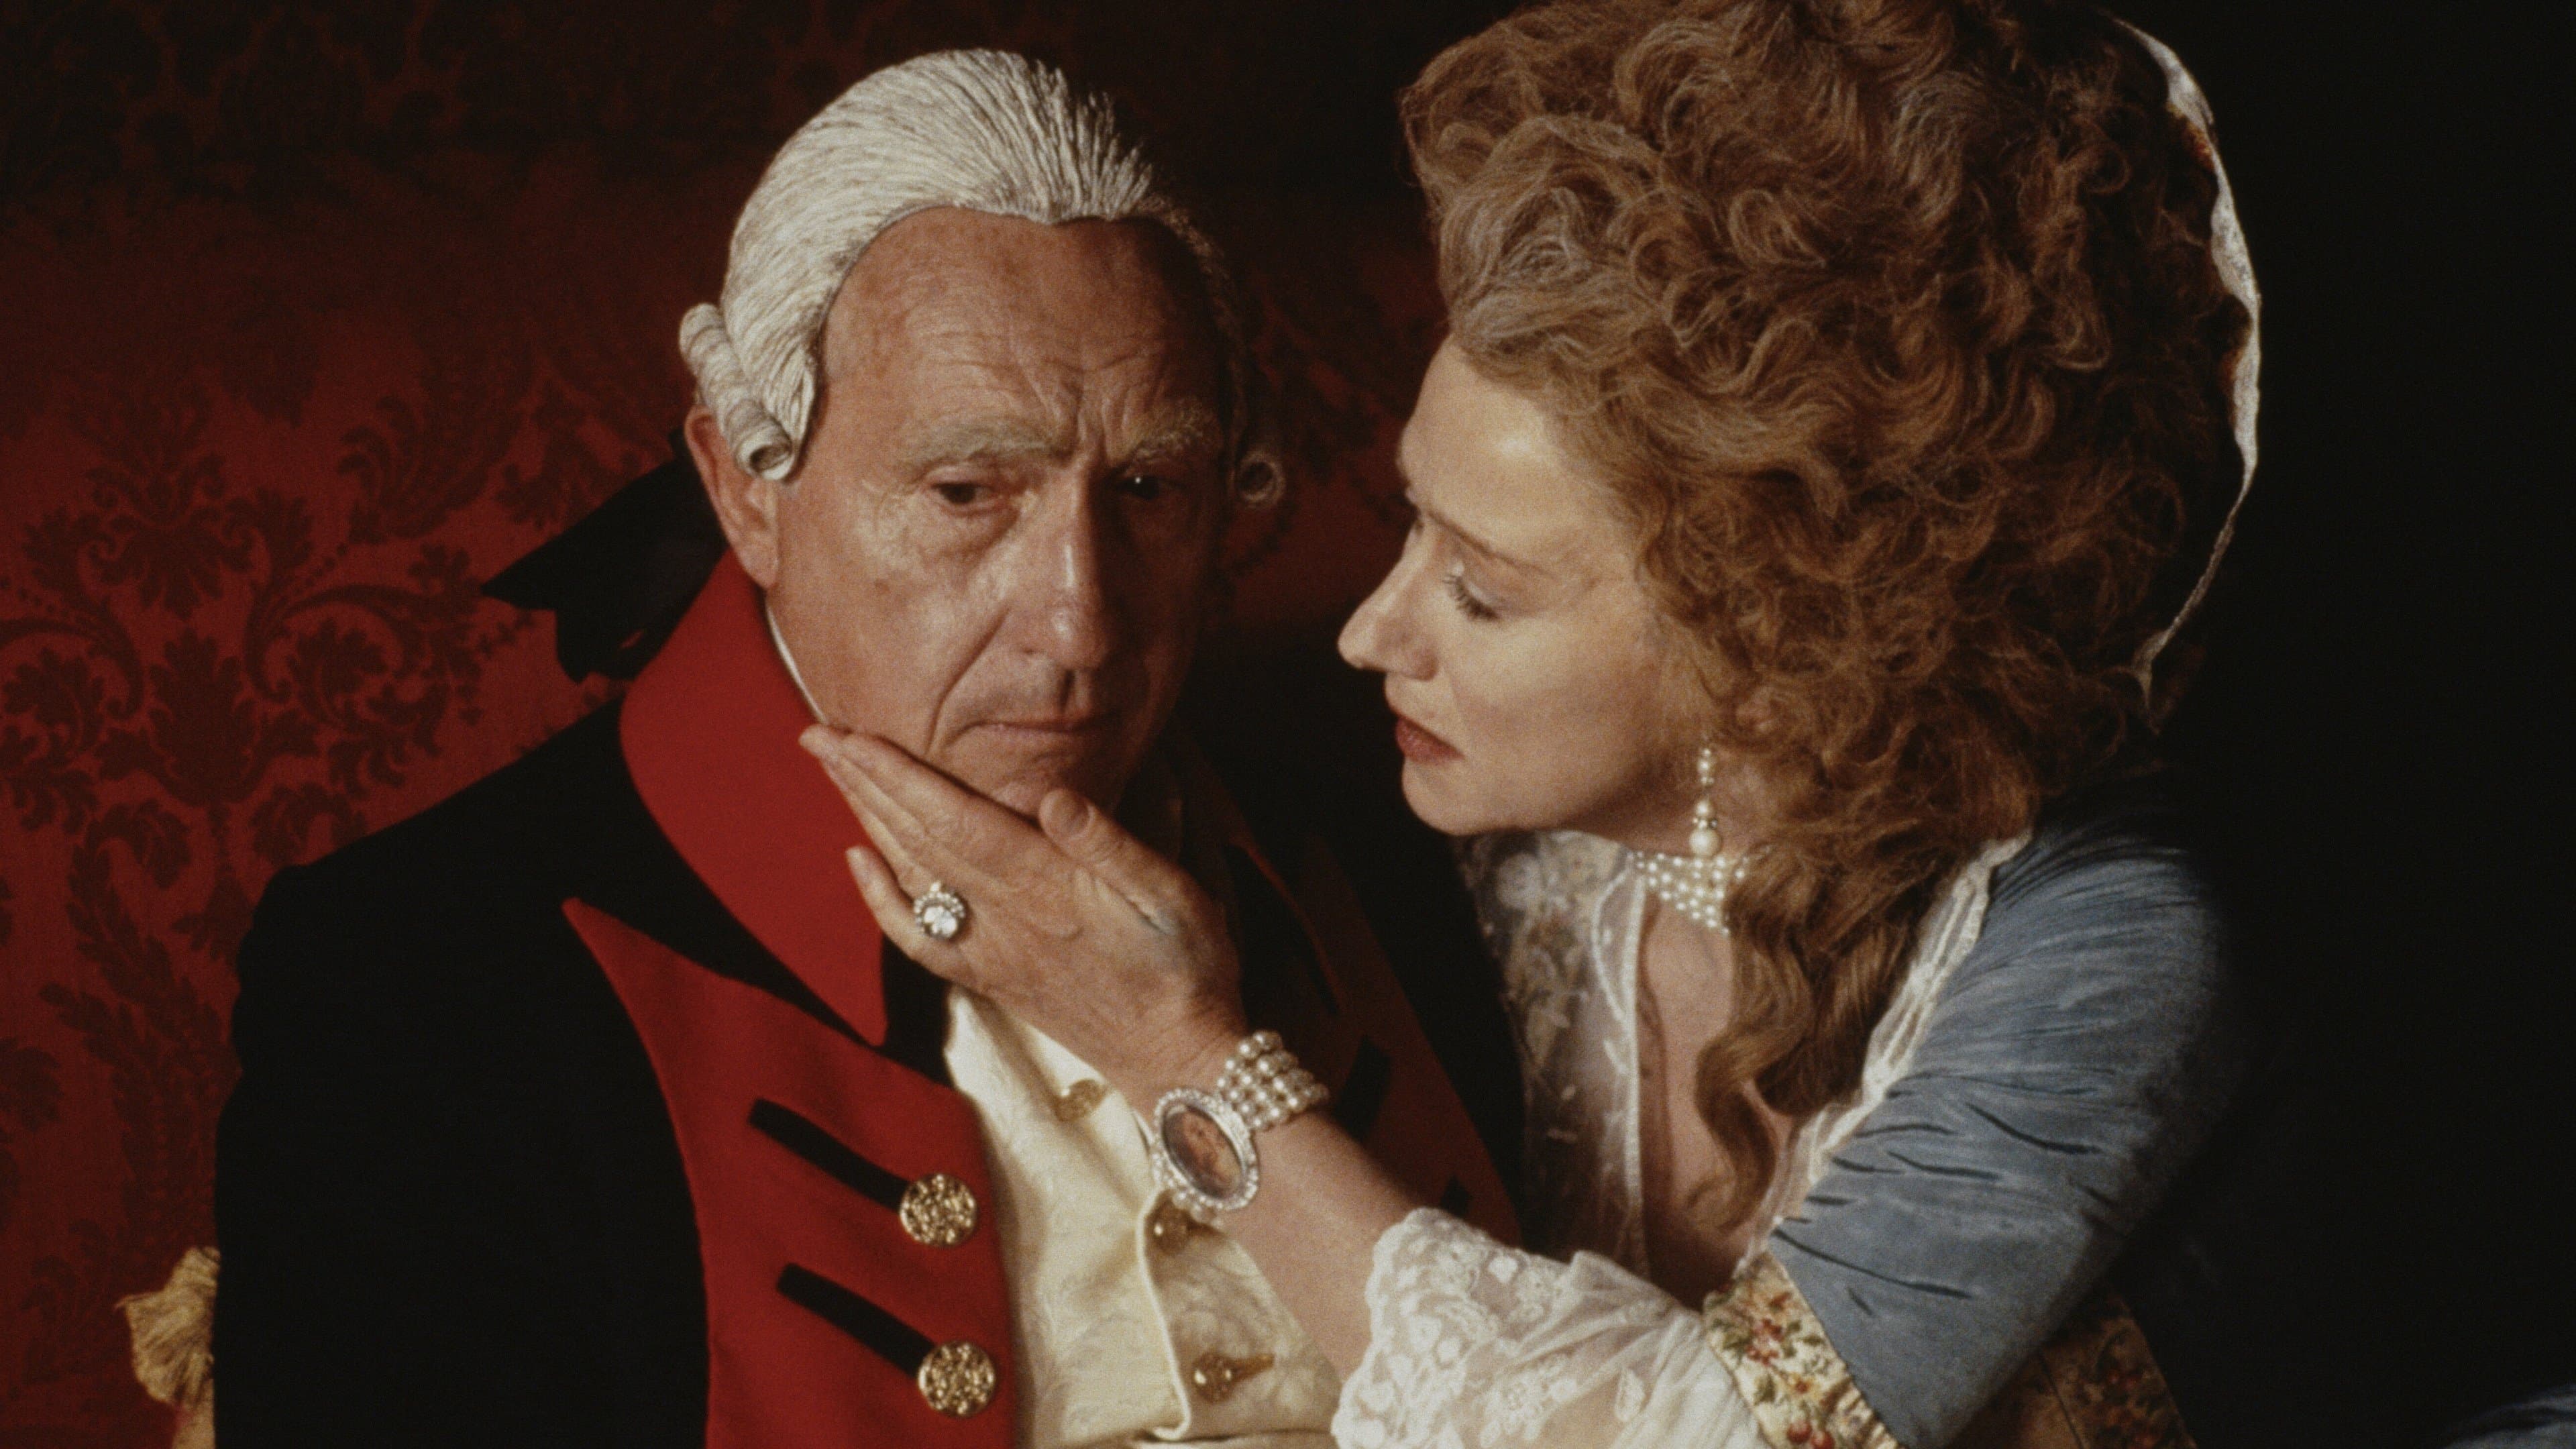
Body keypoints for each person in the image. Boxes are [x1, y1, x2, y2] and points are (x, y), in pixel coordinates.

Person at [801, 2, 2277, 1444]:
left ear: (1770, 643)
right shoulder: (1468, 847)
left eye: (1482, 591)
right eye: (1410, 524)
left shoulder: (2109, 948)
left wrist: (1176, 1052)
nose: (1373, 633)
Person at [211, 50, 1519, 1447]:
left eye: (1148, 488)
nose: (1080, 620)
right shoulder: (422, 986)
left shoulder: (1394, 864)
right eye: (967, 492)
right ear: (746, 487)